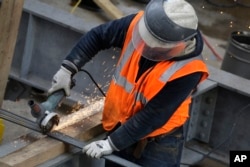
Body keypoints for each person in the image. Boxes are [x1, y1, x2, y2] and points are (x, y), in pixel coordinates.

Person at [48, 0, 209, 166]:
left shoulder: (190, 70)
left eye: (156, 48)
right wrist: (67, 70)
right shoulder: (138, 24)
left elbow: (154, 115)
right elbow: (98, 36)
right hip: (119, 127)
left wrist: (111, 144)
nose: (148, 48)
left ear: (179, 45)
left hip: (158, 145)